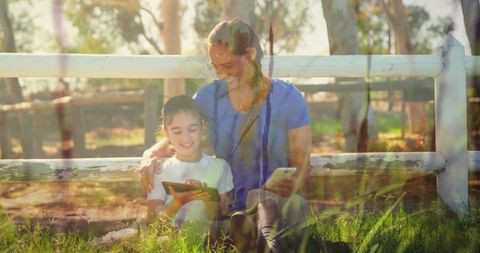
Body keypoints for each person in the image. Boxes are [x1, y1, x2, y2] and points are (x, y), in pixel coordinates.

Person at [140, 19, 312, 252]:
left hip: (278, 205)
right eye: (215, 66)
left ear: (250, 54)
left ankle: (266, 241)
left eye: (227, 65)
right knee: (224, 223)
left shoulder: (289, 98)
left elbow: (302, 168)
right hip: (229, 212)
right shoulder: (208, 98)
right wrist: (150, 153)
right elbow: (180, 128)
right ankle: (262, 242)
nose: (221, 74)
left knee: (265, 201)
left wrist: (287, 184)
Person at [146, 95, 234, 233]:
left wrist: (205, 195)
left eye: (192, 129)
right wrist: (178, 202)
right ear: (166, 133)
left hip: (209, 240)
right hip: (173, 239)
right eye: (177, 131)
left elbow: (220, 216)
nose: (186, 138)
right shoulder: (160, 170)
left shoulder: (220, 167)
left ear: (202, 126)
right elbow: (152, 222)